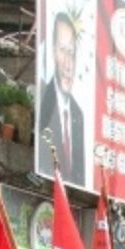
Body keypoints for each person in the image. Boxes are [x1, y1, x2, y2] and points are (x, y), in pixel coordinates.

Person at [38, 11, 86, 185]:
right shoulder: (44, 100)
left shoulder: (78, 114)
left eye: (72, 53)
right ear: (53, 51)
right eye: (63, 51)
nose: (68, 64)